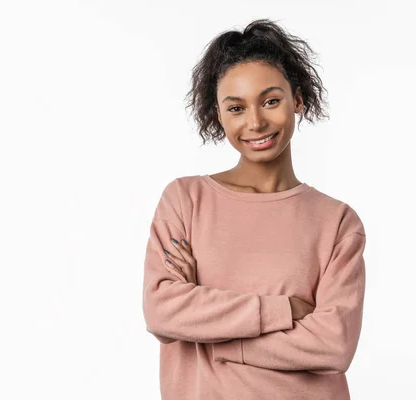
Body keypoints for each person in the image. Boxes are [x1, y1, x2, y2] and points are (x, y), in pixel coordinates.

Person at [142, 18, 366, 400]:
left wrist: (209, 337)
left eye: (271, 100)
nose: (256, 122)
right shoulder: (185, 200)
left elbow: (333, 344)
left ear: (297, 98)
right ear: (218, 113)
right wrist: (282, 311)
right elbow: (162, 310)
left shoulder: (337, 222)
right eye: (236, 107)